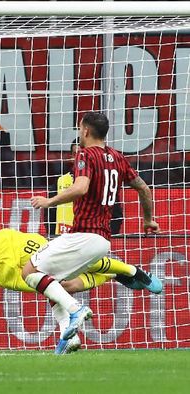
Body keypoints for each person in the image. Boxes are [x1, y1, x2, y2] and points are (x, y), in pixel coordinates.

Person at [0, 222, 162, 354]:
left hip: (3, 244)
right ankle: (70, 334)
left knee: (69, 264)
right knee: (60, 284)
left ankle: (130, 270)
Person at [29, 111, 160, 353]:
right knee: (55, 285)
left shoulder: (85, 155)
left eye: (80, 129)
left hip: (83, 235)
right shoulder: (118, 158)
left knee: (30, 271)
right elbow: (143, 188)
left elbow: (80, 188)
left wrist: (49, 201)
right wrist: (149, 220)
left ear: (86, 130)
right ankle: (68, 336)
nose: (79, 133)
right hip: (103, 239)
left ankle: (85, 304)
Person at [48, 138, 123, 236]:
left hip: (94, 238)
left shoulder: (105, 181)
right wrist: (52, 236)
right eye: (77, 154)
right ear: (71, 157)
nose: (81, 158)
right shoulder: (60, 181)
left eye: (84, 154)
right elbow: (50, 214)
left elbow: (116, 214)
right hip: (65, 238)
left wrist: (108, 236)